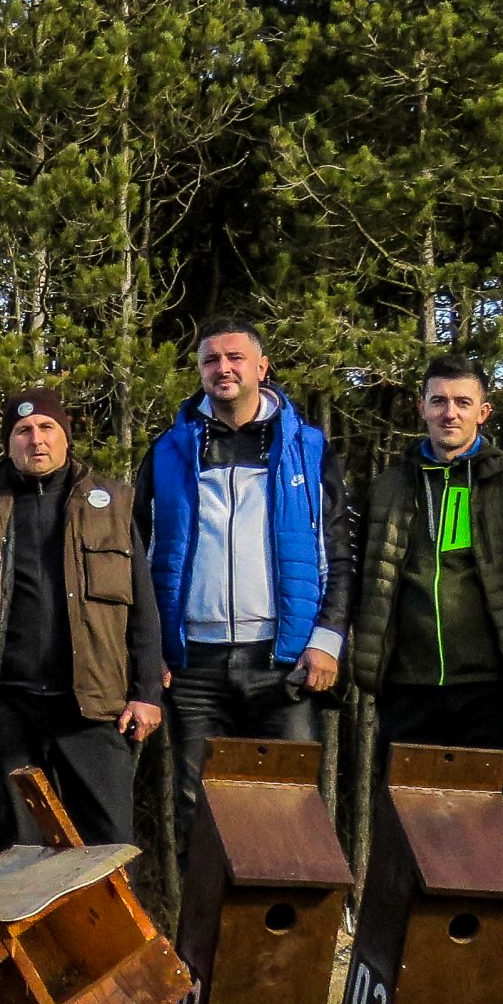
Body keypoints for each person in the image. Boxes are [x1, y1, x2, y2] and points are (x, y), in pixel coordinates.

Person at [351, 356, 503, 1004]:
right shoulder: (387, 487)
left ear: (485, 411)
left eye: (463, 401)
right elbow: (364, 586)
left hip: (494, 689)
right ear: (421, 409)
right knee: (412, 834)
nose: (450, 412)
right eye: (439, 401)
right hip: (410, 691)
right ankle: (410, 973)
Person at [136, 318, 354, 853]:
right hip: (194, 665)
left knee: (293, 808)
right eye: (211, 360)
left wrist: (327, 641)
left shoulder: (309, 448)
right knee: (200, 814)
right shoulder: (167, 451)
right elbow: (136, 561)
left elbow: (342, 553)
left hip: (285, 661)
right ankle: (206, 937)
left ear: (262, 367)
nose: (223, 369)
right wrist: (149, 651)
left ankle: (288, 937)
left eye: (235, 358)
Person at [0, 389, 163, 853]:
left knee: (109, 848)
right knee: (19, 852)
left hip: (93, 704)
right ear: (8, 442)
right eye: (23, 431)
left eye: (47, 429)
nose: (35, 440)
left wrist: (146, 693)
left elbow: (142, 605)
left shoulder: (114, 503)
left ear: (66, 438)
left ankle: (111, 929)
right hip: (10, 708)